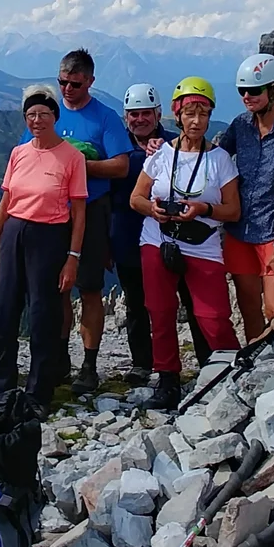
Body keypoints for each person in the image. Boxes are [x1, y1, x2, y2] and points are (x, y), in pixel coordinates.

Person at [131, 77, 241, 410]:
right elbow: (136, 197)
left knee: (213, 316)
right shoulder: (161, 154)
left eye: (203, 114)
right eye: (190, 114)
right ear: (177, 115)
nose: (196, 121)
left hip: (202, 242)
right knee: (160, 310)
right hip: (159, 238)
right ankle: (167, 381)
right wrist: (152, 209)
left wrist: (204, 209)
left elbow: (233, 210)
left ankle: (230, 372)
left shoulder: (220, 160)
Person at [0, 85, 88, 408]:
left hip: (50, 237)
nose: (37, 120)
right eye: (31, 114)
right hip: (14, 232)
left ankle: (39, 393)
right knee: (4, 312)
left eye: (43, 114)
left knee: (44, 315)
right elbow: (5, 203)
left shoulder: (73, 157)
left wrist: (72, 257)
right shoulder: (19, 153)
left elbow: (79, 211)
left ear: (55, 116)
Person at [39, 49, 133, 395]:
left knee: (90, 288)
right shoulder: (48, 112)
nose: (67, 89)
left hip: (92, 210)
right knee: (58, 288)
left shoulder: (105, 118)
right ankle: (60, 359)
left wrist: (78, 165)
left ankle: (90, 365)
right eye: (62, 82)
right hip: (51, 212)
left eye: (75, 84)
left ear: (90, 81)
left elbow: (121, 166)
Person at [217, 53, 274, 341]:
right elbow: (214, 157)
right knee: (248, 309)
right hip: (239, 231)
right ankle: (255, 362)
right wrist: (171, 143)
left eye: (254, 90)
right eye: (242, 90)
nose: (247, 96)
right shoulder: (240, 125)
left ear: (273, 89)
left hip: (271, 235)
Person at [108, 84, 167, 386]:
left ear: (158, 114)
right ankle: (142, 362)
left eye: (146, 113)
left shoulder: (174, 144)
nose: (140, 119)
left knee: (174, 300)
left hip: (168, 237)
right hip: (126, 236)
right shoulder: (115, 148)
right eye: (134, 114)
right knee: (135, 301)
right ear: (126, 117)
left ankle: (177, 361)